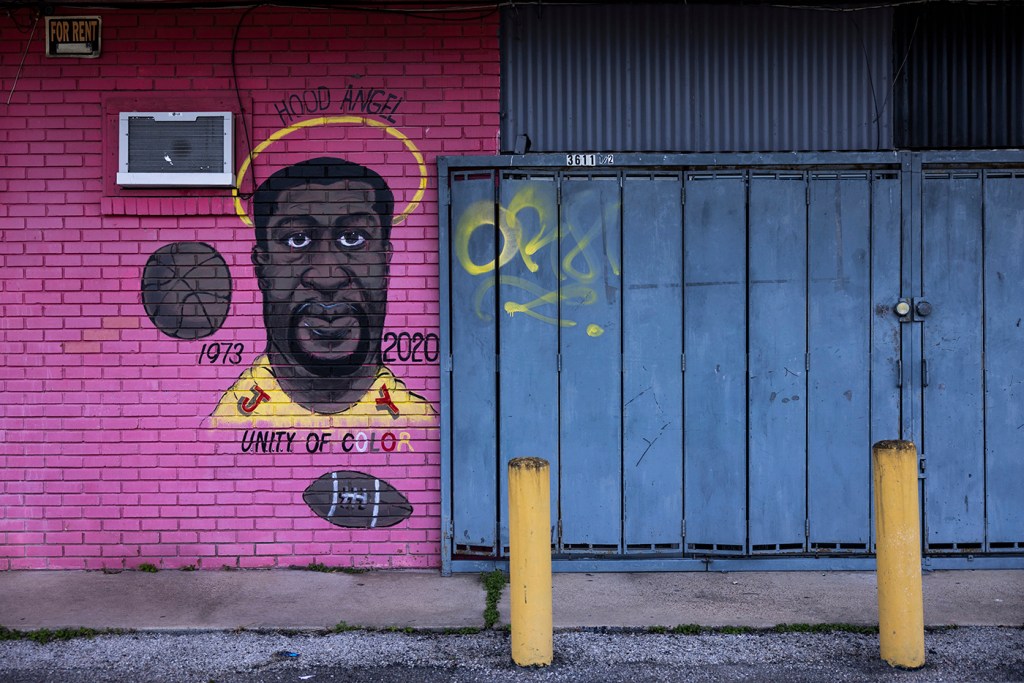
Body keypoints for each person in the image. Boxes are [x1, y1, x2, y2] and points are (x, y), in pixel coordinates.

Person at [209, 157, 435, 428]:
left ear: (385, 262)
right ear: (262, 267)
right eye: (297, 240)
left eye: (353, 238)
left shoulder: (421, 422)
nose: (327, 277)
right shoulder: (226, 424)